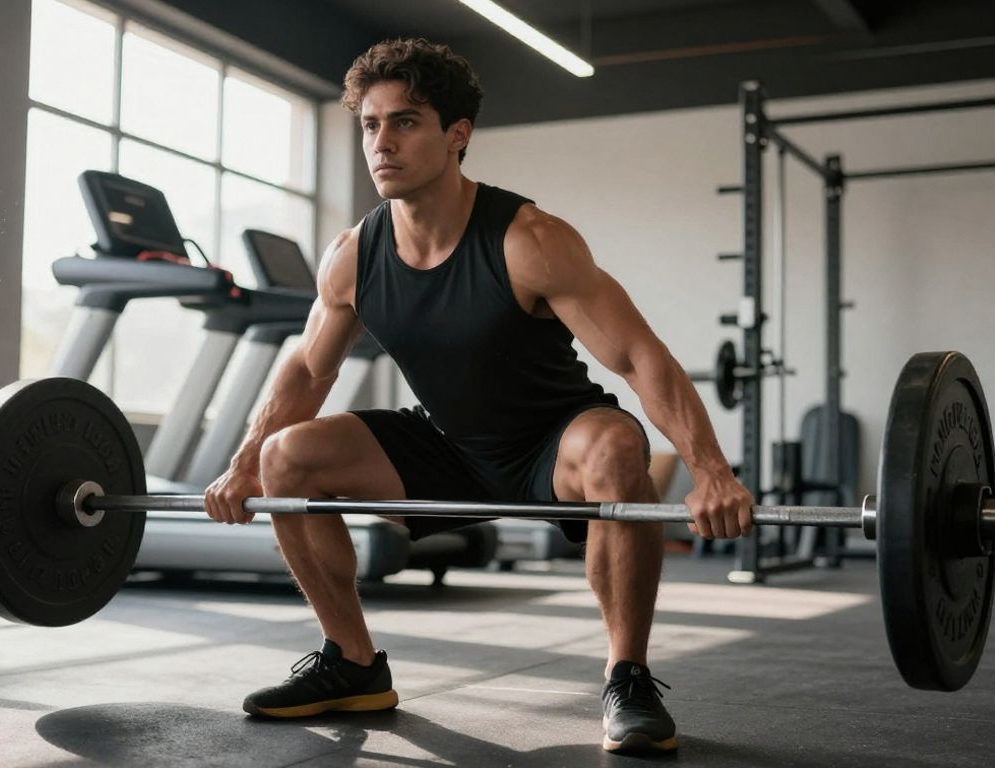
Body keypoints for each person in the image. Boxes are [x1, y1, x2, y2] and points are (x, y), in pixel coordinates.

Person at [205, 37, 753, 755]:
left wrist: (710, 467)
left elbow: (638, 357)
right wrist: (245, 461)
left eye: (405, 122)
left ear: (456, 136)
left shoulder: (530, 239)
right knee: (287, 458)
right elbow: (310, 372)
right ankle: (352, 662)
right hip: (445, 442)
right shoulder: (355, 254)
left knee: (620, 448)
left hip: (551, 441)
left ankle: (628, 677)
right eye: (371, 125)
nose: (382, 143)